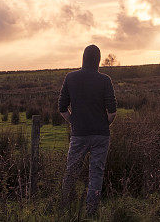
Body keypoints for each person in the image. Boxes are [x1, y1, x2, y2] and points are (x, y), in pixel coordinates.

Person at [58, 44, 117, 216]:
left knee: (72, 171)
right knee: (96, 173)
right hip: (101, 135)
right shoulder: (105, 80)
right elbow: (112, 111)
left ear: (83, 58)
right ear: (98, 60)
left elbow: (62, 107)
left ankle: (65, 207)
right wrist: (104, 124)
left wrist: (74, 122)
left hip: (79, 134)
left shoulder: (71, 78)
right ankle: (91, 211)